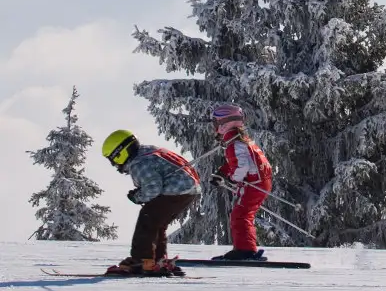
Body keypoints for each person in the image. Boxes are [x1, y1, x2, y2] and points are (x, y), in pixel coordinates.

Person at [101, 129, 201, 277]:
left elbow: (153, 188)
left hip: (175, 191)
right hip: (188, 190)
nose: (114, 165)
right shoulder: (147, 151)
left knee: (147, 220)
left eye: (113, 159)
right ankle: (157, 260)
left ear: (120, 152)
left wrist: (138, 197)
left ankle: (142, 261)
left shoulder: (138, 163)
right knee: (157, 223)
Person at [209, 103, 273, 261]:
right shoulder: (240, 140)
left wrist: (232, 178)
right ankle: (245, 249)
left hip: (254, 184)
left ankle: (245, 251)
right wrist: (223, 172)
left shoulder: (235, 143)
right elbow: (239, 162)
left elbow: (241, 165)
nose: (214, 127)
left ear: (223, 124)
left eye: (215, 123)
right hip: (260, 182)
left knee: (240, 215)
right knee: (243, 214)